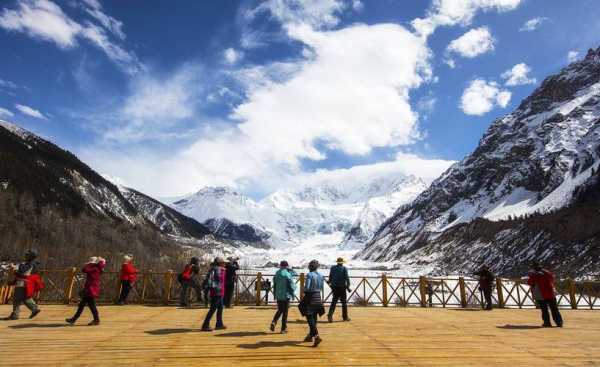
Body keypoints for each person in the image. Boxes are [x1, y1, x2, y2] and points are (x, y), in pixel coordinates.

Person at [3, 249, 43, 320]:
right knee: (25, 297)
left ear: (31, 256)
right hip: (26, 283)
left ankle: (15, 315)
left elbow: (22, 272)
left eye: (27, 255)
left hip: (22, 283)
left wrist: (15, 268)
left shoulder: (29, 264)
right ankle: (34, 309)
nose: (25, 256)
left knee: (17, 299)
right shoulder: (32, 264)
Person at [66, 257, 106, 326]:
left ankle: (96, 320)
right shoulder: (97, 268)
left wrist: (88, 264)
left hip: (91, 289)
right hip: (91, 289)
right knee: (83, 305)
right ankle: (74, 319)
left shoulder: (95, 268)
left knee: (91, 306)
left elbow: (84, 270)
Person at [527, 262, 563, 327]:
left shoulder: (534, 275)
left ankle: (547, 323)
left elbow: (530, 282)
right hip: (550, 293)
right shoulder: (547, 272)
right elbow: (552, 279)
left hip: (541, 295)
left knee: (544, 309)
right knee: (554, 308)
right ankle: (559, 322)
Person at [302, 259, 325, 347]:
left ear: (310, 267)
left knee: (309, 316)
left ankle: (316, 336)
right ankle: (310, 336)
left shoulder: (310, 275)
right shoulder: (320, 275)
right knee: (314, 317)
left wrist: (304, 291)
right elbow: (322, 288)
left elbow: (307, 287)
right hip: (318, 296)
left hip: (310, 297)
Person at [201, 257, 227, 331]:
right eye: (223, 262)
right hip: (216, 292)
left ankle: (219, 324)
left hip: (220, 292)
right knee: (213, 309)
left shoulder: (220, 270)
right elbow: (211, 280)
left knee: (220, 308)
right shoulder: (216, 270)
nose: (224, 264)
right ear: (219, 263)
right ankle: (205, 325)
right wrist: (214, 288)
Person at [270, 260, 296, 333]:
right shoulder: (287, 274)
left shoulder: (277, 273)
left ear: (280, 266)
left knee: (280, 309)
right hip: (286, 295)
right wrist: (293, 292)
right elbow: (291, 285)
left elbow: (274, 284)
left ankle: (274, 321)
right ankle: (283, 329)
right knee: (285, 312)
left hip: (278, 294)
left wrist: (275, 294)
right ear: (286, 266)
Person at [327, 257, 351, 322]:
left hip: (334, 287)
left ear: (337, 262)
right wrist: (348, 286)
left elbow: (330, 277)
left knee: (334, 302)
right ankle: (345, 317)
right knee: (344, 303)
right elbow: (347, 278)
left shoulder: (332, 268)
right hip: (342, 287)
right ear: (342, 262)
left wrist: (329, 282)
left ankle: (330, 315)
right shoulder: (344, 268)